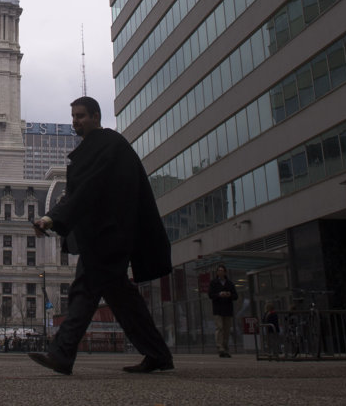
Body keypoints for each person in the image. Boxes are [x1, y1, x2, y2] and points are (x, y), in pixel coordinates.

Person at [28, 96, 174, 375]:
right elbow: (79, 193)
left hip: (109, 236)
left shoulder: (108, 146)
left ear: (96, 116)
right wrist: (54, 217)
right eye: (73, 116)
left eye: (81, 116)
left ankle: (62, 353)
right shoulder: (98, 148)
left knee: (83, 291)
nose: (75, 121)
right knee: (122, 298)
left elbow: (88, 189)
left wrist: (52, 218)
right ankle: (158, 354)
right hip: (107, 236)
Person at [209, 265, 238, 357]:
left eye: (222, 270)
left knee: (227, 329)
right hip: (218, 309)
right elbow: (210, 295)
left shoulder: (229, 283)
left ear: (225, 272)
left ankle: (225, 347)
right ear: (217, 272)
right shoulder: (213, 283)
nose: (220, 272)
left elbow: (235, 296)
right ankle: (220, 347)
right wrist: (219, 294)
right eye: (219, 270)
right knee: (219, 327)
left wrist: (229, 294)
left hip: (227, 309)